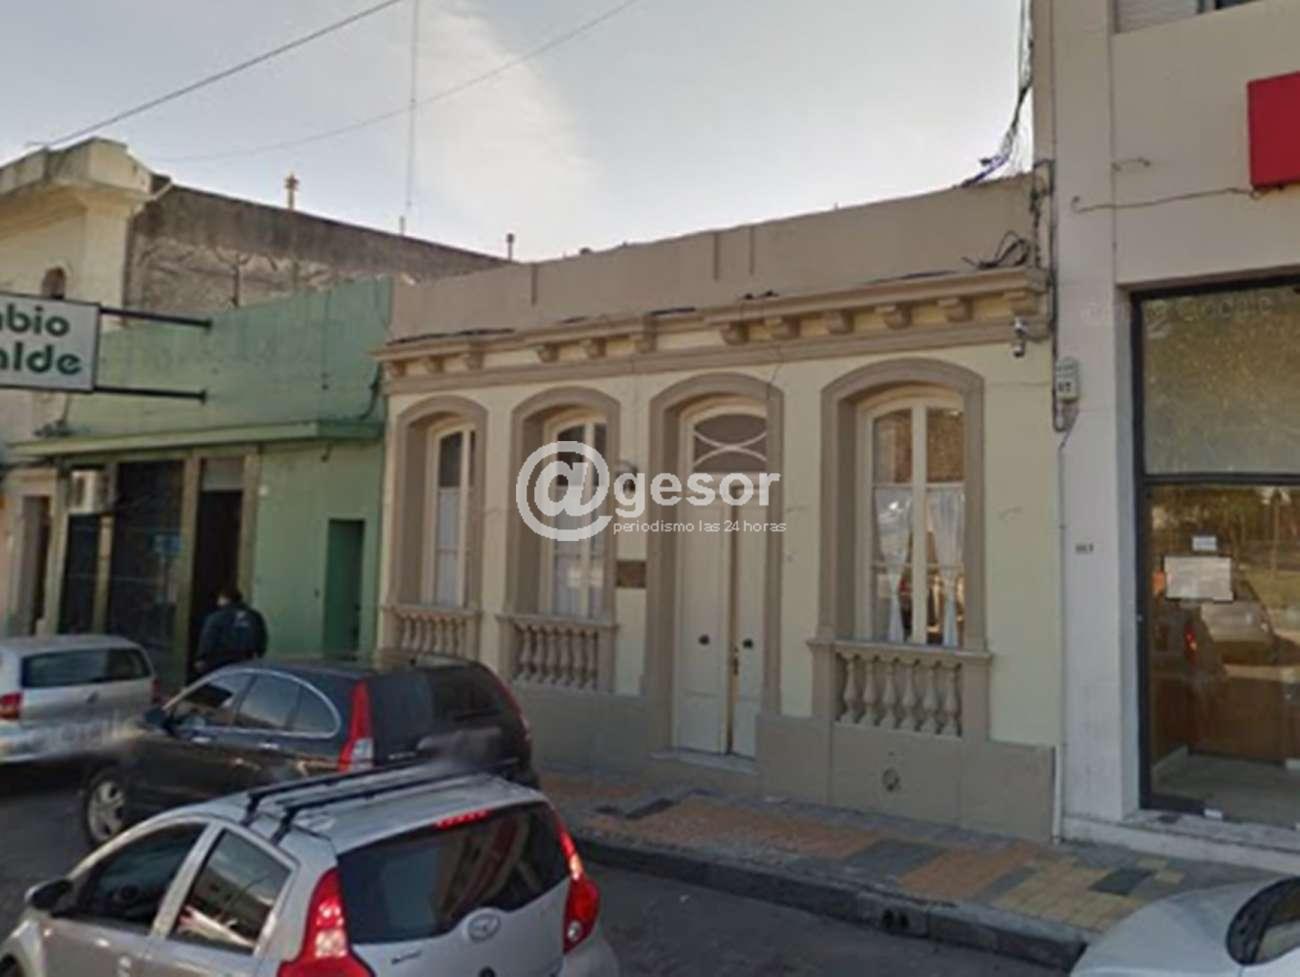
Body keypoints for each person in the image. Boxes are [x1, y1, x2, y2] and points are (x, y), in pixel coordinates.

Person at [195, 586, 268, 675]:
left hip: (220, 662)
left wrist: (202, 658)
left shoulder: (216, 618)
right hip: (247, 661)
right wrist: (259, 653)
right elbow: (262, 638)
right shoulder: (255, 616)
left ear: (224, 599)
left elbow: (208, 639)